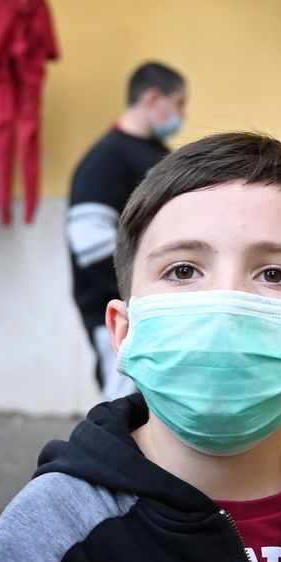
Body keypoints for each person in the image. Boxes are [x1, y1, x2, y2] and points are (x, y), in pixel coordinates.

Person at [0, 132, 281, 562]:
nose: (226, 306)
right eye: (183, 270)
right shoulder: (51, 535)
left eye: (274, 274)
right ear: (124, 330)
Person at [66, 61, 187, 400]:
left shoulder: (162, 156)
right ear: (153, 97)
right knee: (126, 408)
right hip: (123, 312)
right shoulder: (105, 159)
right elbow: (89, 241)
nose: (181, 114)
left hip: (162, 308)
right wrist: (141, 291)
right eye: (179, 103)